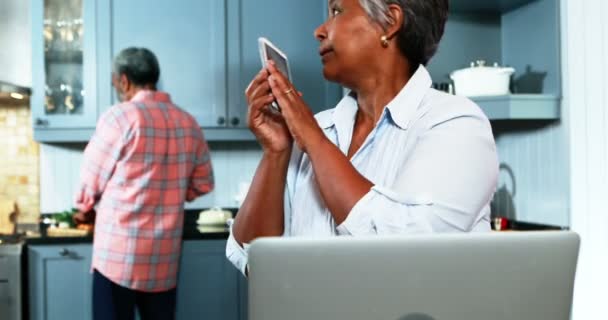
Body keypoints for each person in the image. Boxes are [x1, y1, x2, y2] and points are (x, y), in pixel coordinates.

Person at [226, 0, 498, 275]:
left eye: (336, 11)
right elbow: (255, 261)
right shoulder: (314, 130)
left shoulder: (456, 123)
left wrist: (312, 138)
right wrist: (277, 152)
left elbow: (407, 257)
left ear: (390, 22)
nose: (319, 31)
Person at [73, 47, 214, 320]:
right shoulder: (187, 122)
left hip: (117, 258)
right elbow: (203, 184)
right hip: (163, 260)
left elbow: (90, 181)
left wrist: (84, 206)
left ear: (123, 80)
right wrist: (168, 190)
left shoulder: (120, 117)